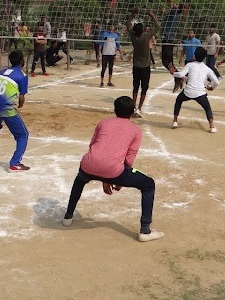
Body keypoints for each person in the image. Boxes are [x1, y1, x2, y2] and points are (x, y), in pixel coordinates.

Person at [62, 96, 164, 242]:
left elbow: (93, 145)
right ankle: (145, 230)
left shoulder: (103, 122)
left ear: (114, 110)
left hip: (87, 165)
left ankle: (68, 217)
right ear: (132, 112)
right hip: (113, 170)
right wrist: (117, 178)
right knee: (148, 184)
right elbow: (130, 158)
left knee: (80, 180)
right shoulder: (136, 130)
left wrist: (106, 178)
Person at [169, 47, 220, 133]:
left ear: (195, 55)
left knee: (178, 100)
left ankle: (175, 121)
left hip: (188, 92)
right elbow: (217, 82)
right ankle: (212, 126)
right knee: (207, 107)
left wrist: (172, 72)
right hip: (200, 93)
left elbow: (181, 74)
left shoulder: (189, 64)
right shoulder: (207, 69)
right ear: (204, 57)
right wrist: (211, 88)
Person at [128, 10, 159, 118]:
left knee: (135, 87)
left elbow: (128, 25)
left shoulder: (133, 37)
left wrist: (133, 14)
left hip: (136, 66)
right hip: (145, 67)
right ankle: (139, 108)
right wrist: (152, 15)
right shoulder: (146, 37)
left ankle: (133, 107)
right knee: (144, 88)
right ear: (142, 31)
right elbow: (158, 27)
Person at [99, 22, 121, 87]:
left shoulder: (116, 35)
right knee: (103, 68)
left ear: (114, 28)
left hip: (112, 53)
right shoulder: (104, 34)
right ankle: (102, 82)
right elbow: (101, 44)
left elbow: (118, 44)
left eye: (112, 26)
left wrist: (120, 52)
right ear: (108, 27)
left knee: (111, 68)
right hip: (105, 53)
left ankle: (109, 81)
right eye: (110, 26)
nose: (111, 28)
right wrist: (98, 53)